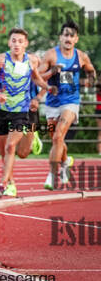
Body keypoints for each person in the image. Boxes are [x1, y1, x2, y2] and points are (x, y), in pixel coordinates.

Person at [0, 29, 55, 198]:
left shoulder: (32, 60)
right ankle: (11, 183)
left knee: (10, 146)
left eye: (20, 41)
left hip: (21, 110)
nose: (17, 44)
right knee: (3, 151)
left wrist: (47, 88)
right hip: (1, 110)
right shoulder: (0, 59)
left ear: (26, 44)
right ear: (9, 42)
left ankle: (2, 184)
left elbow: (36, 78)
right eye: (14, 40)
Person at [39, 21, 97, 190]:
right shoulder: (51, 55)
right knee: (56, 139)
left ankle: (52, 176)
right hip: (52, 102)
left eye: (72, 36)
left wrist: (90, 80)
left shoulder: (81, 56)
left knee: (58, 137)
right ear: (60, 37)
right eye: (66, 35)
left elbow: (91, 71)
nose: (68, 38)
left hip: (71, 102)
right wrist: (52, 71)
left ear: (76, 39)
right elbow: (38, 76)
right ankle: (66, 161)